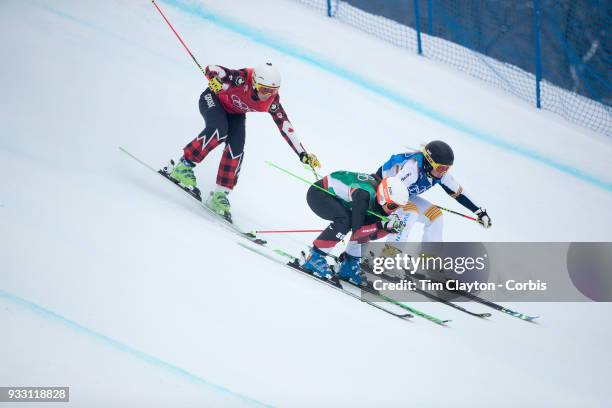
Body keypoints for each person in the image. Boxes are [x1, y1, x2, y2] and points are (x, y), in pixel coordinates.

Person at [164, 62, 320, 222]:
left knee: (236, 148)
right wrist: (214, 79)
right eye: (264, 89)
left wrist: (302, 153)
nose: (268, 95)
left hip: (235, 113)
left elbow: (285, 126)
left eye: (273, 91)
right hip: (212, 99)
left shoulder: (272, 102)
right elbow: (213, 69)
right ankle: (182, 166)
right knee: (219, 130)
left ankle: (220, 194)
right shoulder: (241, 79)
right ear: (254, 83)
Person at [301, 171, 409, 286]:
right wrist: (381, 225)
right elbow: (358, 232)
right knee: (345, 221)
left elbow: (369, 234)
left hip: (338, 198)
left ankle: (349, 264)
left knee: (368, 221)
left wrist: (387, 229)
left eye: (398, 208)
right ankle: (314, 258)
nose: (394, 211)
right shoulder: (363, 195)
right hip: (318, 194)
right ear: (383, 197)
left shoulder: (380, 200)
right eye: (393, 206)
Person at [376, 140, 491, 243]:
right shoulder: (412, 168)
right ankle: (389, 255)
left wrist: (480, 212)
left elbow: (459, 193)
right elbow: (392, 192)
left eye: (447, 168)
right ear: (429, 163)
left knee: (435, 215)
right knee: (410, 212)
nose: (443, 172)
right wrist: (392, 217)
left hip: (402, 195)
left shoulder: (440, 174)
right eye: (441, 168)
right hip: (383, 193)